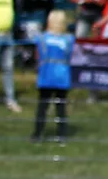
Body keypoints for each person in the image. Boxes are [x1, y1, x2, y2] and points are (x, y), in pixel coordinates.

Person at [31, 12, 77, 140]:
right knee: (60, 106)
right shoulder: (69, 39)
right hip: (62, 76)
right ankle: (62, 134)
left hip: (46, 75)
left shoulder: (41, 38)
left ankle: (37, 134)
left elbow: (37, 56)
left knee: (42, 106)